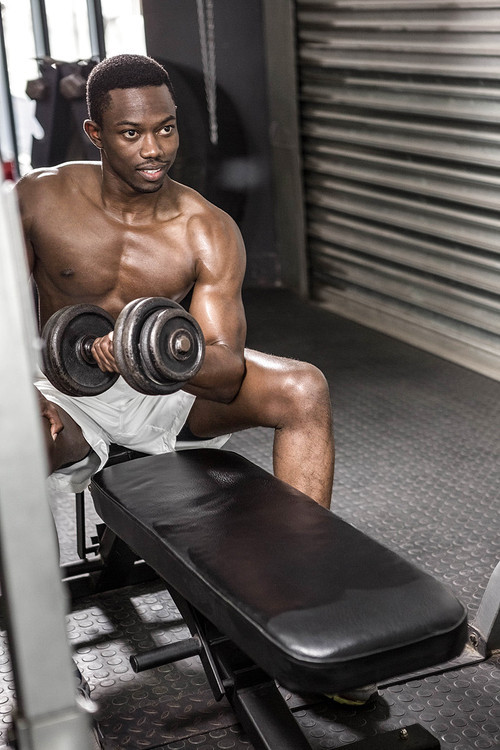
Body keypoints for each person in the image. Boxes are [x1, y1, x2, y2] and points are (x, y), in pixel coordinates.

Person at [17, 53, 334, 509]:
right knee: (14, 443)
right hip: (66, 393)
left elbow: (225, 373)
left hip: (170, 392)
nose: (154, 150)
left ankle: (307, 565)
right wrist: (21, 395)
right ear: (95, 134)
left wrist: (147, 360)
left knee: (304, 388)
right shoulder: (39, 198)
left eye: (165, 129)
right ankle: (28, 580)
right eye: (132, 133)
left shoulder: (207, 227)